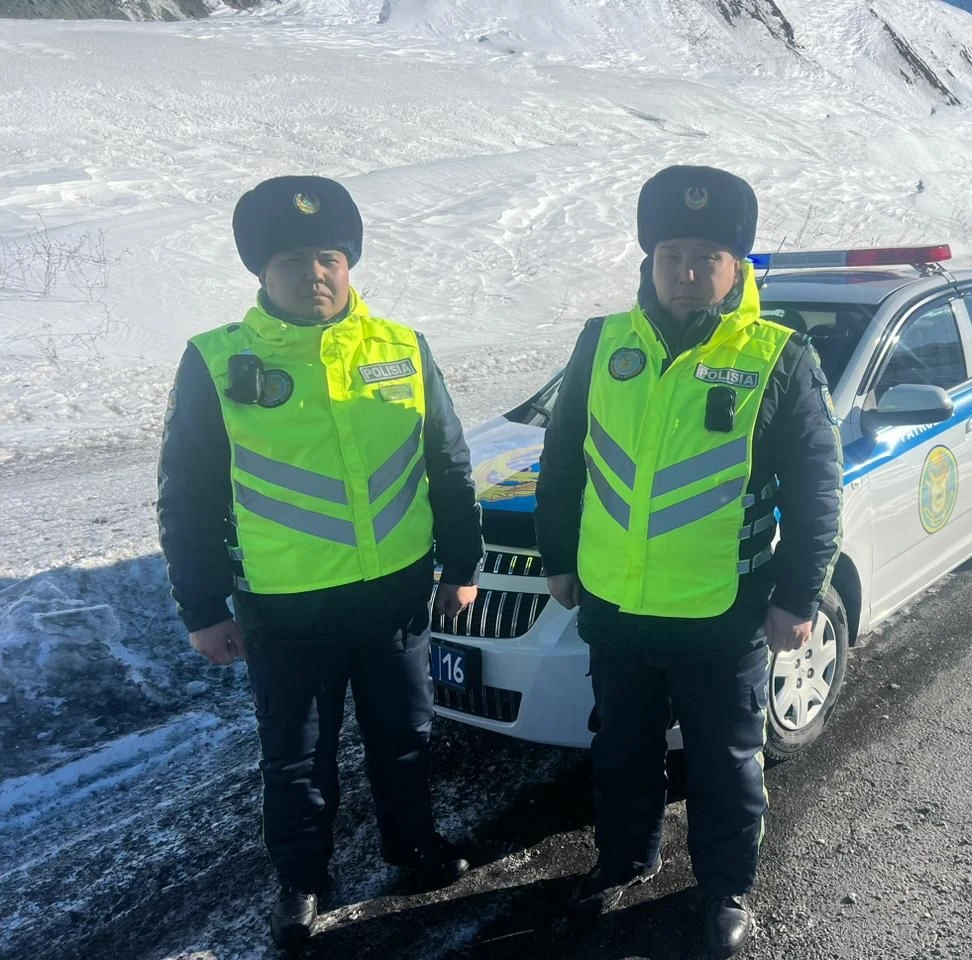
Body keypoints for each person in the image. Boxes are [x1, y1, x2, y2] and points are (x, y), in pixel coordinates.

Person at [156, 176, 484, 947]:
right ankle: (302, 883)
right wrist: (203, 608)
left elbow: (448, 465)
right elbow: (187, 495)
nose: (315, 274)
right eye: (295, 258)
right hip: (287, 607)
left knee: (406, 737)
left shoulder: (403, 347)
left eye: (330, 256)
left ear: (350, 263)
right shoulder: (217, 362)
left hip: (396, 598)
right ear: (262, 271)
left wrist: (460, 566)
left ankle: (415, 850)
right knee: (297, 761)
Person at [534, 165, 843, 958]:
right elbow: (563, 461)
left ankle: (725, 887)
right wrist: (559, 561)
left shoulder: (779, 356)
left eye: (707, 254)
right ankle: (626, 859)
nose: (687, 270)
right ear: (649, 260)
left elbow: (817, 492)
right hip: (617, 607)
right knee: (623, 750)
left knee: (726, 764)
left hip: (722, 611)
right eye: (672, 253)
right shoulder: (602, 343)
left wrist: (797, 595)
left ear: (737, 266)